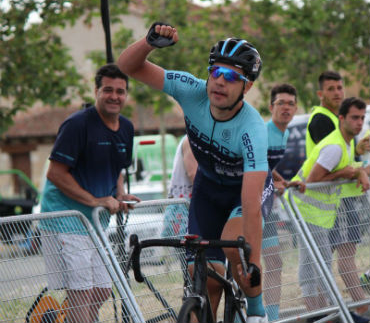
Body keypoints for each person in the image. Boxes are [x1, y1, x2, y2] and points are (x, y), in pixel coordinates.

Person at [118, 23, 269, 322]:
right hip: (208, 192)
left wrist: (253, 263)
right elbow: (127, 66)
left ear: (247, 87)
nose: (220, 82)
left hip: (243, 196)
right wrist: (149, 42)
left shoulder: (253, 128)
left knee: (236, 254)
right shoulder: (191, 90)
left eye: (231, 77)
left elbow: (251, 205)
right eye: (215, 72)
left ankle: (257, 311)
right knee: (202, 279)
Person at [40, 64, 140, 323]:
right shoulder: (77, 125)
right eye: (108, 90)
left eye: (120, 91)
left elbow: (117, 166)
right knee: (82, 291)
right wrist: (97, 201)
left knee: (102, 289)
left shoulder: (127, 128)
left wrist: (121, 194)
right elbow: (55, 173)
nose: (114, 96)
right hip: (64, 218)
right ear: (96, 91)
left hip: (94, 223)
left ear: (126, 95)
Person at [291, 97, 370, 323]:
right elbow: (315, 179)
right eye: (355, 117)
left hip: (314, 212)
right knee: (320, 262)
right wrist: (345, 173)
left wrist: (356, 172)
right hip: (306, 208)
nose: (359, 123)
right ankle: (326, 315)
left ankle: (319, 314)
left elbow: (344, 171)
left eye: (362, 118)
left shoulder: (345, 144)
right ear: (342, 118)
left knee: (313, 262)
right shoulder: (335, 146)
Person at [261, 84, 305, 322]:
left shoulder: (286, 133)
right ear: (271, 107)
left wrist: (283, 181)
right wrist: (270, 181)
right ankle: (243, 316)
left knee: (275, 261)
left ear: (296, 108)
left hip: (267, 207)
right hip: (246, 206)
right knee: (244, 265)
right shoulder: (262, 130)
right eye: (281, 103)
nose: (286, 108)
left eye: (290, 103)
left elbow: (268, 167)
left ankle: (273, 317)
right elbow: (254, 165)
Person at [161, 135, 197, 238]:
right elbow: (193, 174)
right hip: (184, 207)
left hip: (184, 206)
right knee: (185, 249)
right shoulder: (191, 140)